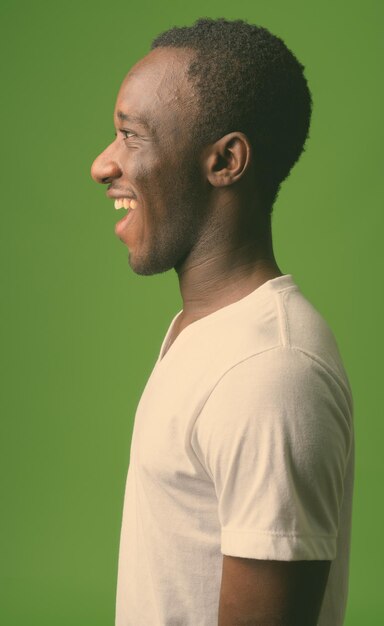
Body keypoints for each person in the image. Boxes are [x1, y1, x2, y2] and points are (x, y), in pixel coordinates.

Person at [90, 17, 354, 626]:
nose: (103, 165)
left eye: (131, 136)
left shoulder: (269, 376)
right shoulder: (208, 332)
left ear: (226, 160)